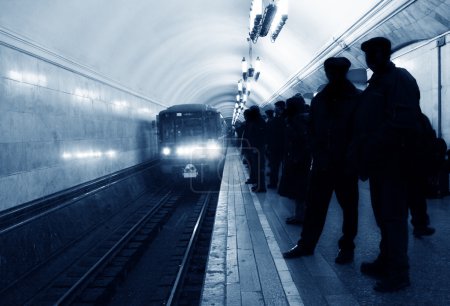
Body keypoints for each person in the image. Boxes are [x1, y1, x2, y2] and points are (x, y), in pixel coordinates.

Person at [354, 37, 424, 292]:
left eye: (374, 54)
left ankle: (399, 272)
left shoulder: (399, 80)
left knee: (393, 217)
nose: (370, 59)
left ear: (385, 53)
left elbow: (403, 120)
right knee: (383, 215)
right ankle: (386, 260)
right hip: (378, 162)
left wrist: (372, 142)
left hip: (395, 160)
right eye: (367, 55)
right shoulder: (376, 82)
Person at [282, 57, 360, 263]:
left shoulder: (353, 99)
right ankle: (307, 244)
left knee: (346, 207)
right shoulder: (324, 99)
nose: (332, 75)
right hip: (324, 163)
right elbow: (312, 130)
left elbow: (360, 132)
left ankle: (345, 247)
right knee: (319, 206)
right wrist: (316, 152)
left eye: (335, 72)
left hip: (343, 163)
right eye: (331, 72)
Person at [278, 94, 311, 224]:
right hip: (297, 157)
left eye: (287, 106)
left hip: (298, 158)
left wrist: (296, 156)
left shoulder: (297, 120)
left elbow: (300, 139)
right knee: (299, 188)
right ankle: (299, 214)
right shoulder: (299, 119)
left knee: (299, 188)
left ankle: (300, 216)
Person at [246, 105, 267, 192]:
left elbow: (260, 136)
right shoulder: (255, 120)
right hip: (255, 148)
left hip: (258, 148)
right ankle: (258, 185)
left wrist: (255, 147)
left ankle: (261, 187)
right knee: (256, 167)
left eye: (251, 110)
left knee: (259, 168)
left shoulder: (259, 121)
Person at [266, 102, 285, 189]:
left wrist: (269, 145)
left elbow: (271, 134)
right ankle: (279, 183)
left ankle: (274, 183)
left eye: (276, 107)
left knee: (275, 166)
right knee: (279, 166)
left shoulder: (277, 120)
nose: (275, 109)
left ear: (279, 107)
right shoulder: (282, 118)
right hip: (281, 146)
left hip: (275, 146)